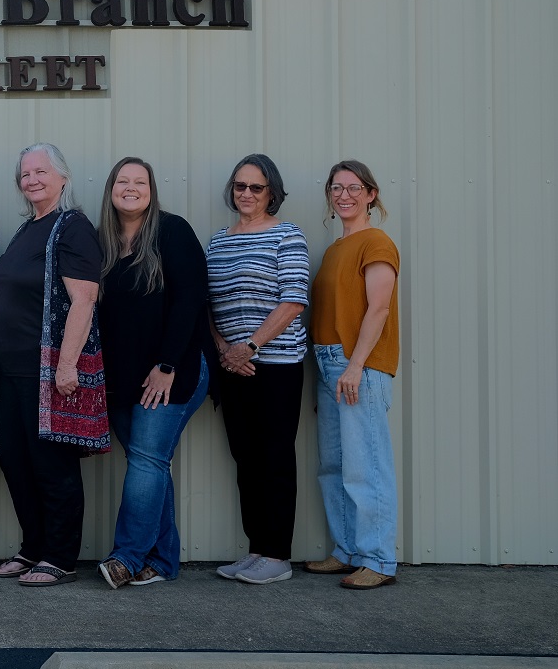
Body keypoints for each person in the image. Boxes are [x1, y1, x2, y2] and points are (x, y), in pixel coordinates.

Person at [0, 143, 108, 588]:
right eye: (26, 174)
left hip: (48, 370)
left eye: (41, 171)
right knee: (15, 462)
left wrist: (67, 365)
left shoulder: (72, 227)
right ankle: (33, 547)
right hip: (11, 369)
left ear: (63, 177)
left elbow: (84, 300)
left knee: (51, 466)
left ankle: (60, 557)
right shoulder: (27, 229)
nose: (33, 180)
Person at [94, 158, 210, 589]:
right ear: (111, 189)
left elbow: (190, 301)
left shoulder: (172, 231)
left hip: (173, 370)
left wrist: (167, 365)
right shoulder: (103, 240)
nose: (130, 188)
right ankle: (161, 561)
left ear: (151, 189)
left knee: (146, 458)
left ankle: (126, 557)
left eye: (139, 181)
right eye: (122, 180)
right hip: (122, 377)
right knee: (150, 462)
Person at [207, 153, 310, 585]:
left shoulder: (287, 235)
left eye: (256, 187)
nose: (246, 193)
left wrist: (250, 346)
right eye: (240, 186)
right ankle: (257, 550)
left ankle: (278, 555)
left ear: (272, 193)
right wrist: (225, 350)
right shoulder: (218, 242)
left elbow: (294, 300)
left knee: (274, 457)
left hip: (277, 365)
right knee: (245, 458)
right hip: (233, 367)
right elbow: (208, 304)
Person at [306, 160, 401, 590]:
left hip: (358, 365)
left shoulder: (376, 242)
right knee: (335, 465)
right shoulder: (334, 250)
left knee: (366, 466)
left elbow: (378, 308)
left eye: (353, 188)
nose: (344, 195)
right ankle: (346, 551)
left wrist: (356, 365)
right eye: (336, 188)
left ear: (371, 194)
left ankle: (378, 559)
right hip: (329, 365)